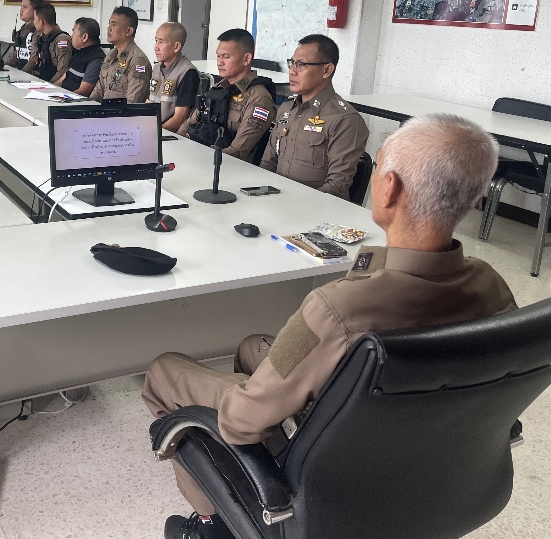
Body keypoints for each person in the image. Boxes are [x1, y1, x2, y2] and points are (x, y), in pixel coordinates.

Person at [143, 114, 517, 539]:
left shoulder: (338, 308)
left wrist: (247, 406)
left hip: (334, 477)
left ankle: (214, 525)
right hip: (430, 461)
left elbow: (240, 424)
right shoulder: (492, 286)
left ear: (390, 188)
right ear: (476, 197)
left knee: (164, 370)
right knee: (250, 347)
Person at [260, 34, 369, 199]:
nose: (292, 71)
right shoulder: (287, 108)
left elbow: (336, 186)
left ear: (327, 70)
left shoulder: (344, 119)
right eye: (292, 63)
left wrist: (291, 204)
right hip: (274, 198)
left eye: (301, 64)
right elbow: (268, 162)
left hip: (314, 206)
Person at [178, 29, 275, 164]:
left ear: (246, 59)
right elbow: (189, 123)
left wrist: (201, 160)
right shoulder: (218, 88)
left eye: (226, 57)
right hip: (201, 157)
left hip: (229, 167)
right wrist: (178, 146)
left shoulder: (259, 98)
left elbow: (238, 151)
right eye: (218, 56)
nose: (219, 62)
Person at [90, 6, 151, 104]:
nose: (108, 28)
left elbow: (132, 102)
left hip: (122, 113)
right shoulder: (111, 55)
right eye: (109, 24)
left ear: (129, 31)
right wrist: (87, 107)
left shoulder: (138, 61)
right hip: (105, 111)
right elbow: (98, 92)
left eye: (114, 25)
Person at [149, 22, 199, 132]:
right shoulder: (156, 68)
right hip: (154, 128)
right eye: (156, 41)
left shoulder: (187, 72)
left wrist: (155, 134)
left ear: (176, 47)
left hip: (173, 133)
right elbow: (150, 102)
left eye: (161, 42)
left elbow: (179, 118)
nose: (155, 47)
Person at [22, 2, 72, 83]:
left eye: (34, 18)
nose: (33, 22)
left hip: (54, 85)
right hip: (41, 81)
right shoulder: (41, 38)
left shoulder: (62, 40)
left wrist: (49, 86)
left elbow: (62, 71)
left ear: (41, 21)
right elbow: (34, 60)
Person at [54, 17, 105, 96]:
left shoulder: (96, 60)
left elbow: (83, 92)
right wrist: (49, 91)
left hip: (73, 100)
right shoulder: (78, 53)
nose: (71, 36)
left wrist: (59, 98)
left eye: (74, 33)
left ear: (85, 37)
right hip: (63, 96)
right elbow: (62, 79)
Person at [4, 0, 42, 69]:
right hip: (21, 71)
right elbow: (15, 55)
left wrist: (22, 73)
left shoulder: (38, 31)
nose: (21, 10)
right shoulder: (22, 30)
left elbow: (33, 59)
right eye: (21, 7)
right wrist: (3, 67)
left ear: (35, 11)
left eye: (25, 7)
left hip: (32, 73)